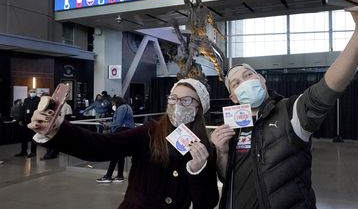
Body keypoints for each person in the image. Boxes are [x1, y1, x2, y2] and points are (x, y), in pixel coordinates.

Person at [210, 0, 358, 209]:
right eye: (235, 83)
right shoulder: (232, 129)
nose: (243, 83)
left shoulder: (290, 112)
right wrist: (220, 153)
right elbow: (227, 176)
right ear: (233, 98)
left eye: (248, 75)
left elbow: (327, 89)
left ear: (262, 79)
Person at [28, 78, 219, 209]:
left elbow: (207, 203)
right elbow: (101, 146)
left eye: (186, 100)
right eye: (173, 98)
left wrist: (197, 170)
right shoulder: (149, 132)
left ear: (199, 107)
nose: (177, 104)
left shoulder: (205, 148)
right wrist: (57, 129)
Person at [96, 96, 135, 183]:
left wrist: (107, 125)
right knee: (120, 155)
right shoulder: (127, 107)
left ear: (116, 102)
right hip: (126, 132)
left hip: (121, 131)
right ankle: (119, 175)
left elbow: (118, 122)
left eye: (113, 103)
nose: (113, 105)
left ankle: (108, 176)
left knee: (115, 154)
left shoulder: (121, 108)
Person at [15, 89, 40, 158]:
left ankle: (33, 152)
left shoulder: (39, 99)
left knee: (34, 138)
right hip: (25, 122)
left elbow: (40, 111)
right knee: (24, 137)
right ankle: (23, 151)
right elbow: (22, 110)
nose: (32, 93)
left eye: (34, 92)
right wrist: (20, 119)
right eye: (31, 92)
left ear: (36, 92)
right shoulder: (26, 100)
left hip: (34, 122)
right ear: (28, 92)